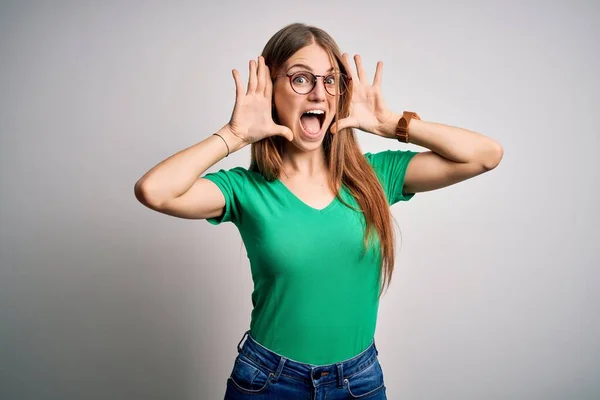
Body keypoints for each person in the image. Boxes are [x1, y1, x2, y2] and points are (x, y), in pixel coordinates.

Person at [134, 22, 503, 399]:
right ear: (270, 91)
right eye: (300, 79)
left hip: (358, 382)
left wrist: (392, 124)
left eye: (330, 80)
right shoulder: (245, 189)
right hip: (268, 382)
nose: (318, 93)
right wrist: (235, 134)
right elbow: (154, 191)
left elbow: (485, 155)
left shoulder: (376, 177)